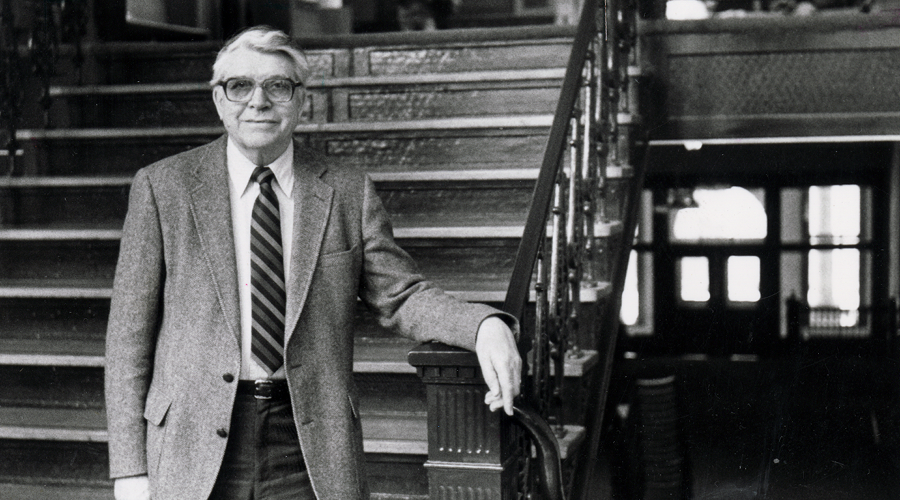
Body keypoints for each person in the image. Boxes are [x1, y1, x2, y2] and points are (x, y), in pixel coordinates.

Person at [105, 26, 521, 500]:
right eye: (240, 86)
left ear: (301, 100)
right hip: (190, 440)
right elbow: (127, 339)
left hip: (306, 441)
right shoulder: (164, 188)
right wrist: (129, 469)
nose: (258, 101)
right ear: (219, 100)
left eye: (277, 86)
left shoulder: (346, 191)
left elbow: (402, 295)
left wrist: (483, 325)